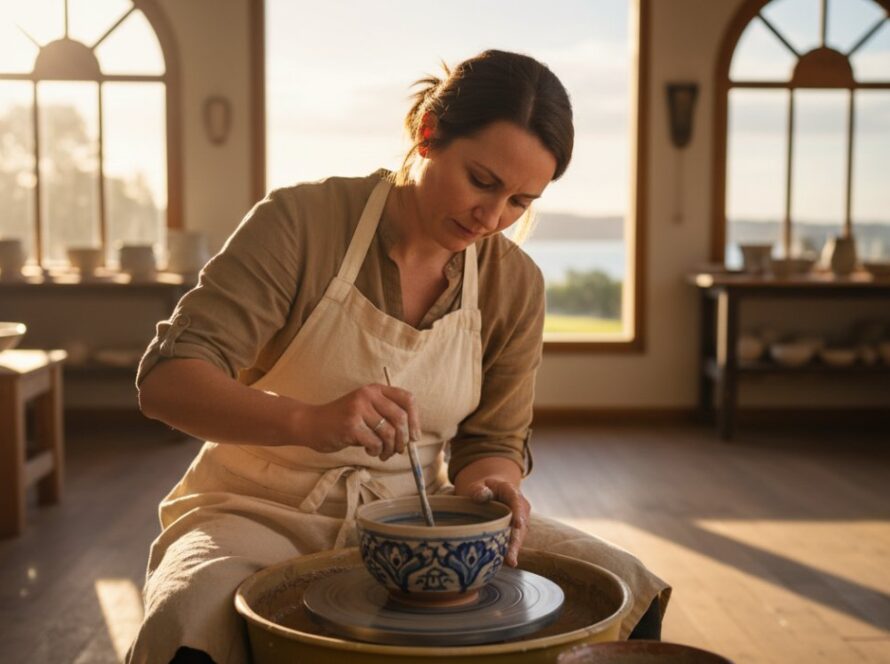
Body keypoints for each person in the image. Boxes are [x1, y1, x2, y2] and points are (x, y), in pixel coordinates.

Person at [127, 49, 670, 664]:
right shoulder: (300, 224)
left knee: (625, 591)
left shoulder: (513, 283)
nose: (492, 218)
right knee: (191, 616)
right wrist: (309, 422)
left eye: (521, 201)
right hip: (255, 511)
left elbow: (492, 441)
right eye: (482, 181)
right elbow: (167, 382)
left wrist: (494, 490)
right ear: (427, 134)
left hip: (419, 519)